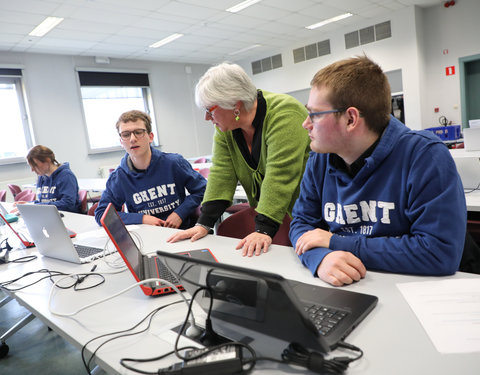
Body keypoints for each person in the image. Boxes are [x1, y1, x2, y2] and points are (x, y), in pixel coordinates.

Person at [289, 56, 466, 287]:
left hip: (417, 290)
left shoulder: (424, 155)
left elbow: (438, 252)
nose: (306, 124)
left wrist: (336, 243)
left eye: (315, 114)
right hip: (350, 285)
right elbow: (302, 224)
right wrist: (319, 259)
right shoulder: (319, 160)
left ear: (351, 119)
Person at [167, 62, 310, 256]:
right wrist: (204, 224)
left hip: (305, 215)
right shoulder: (226, 127)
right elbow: (221, 173)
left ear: (235, 104)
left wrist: (263, 229)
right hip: (272, 215)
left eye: (210, 109)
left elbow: (280, 175)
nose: (207, 118)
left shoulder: (285, 114)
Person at [94, 110, 206, 229]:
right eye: (126, 134)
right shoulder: (119, 177)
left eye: (138, 132)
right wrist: (142, 219)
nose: (132, 139)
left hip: (180, 233)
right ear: (121, 142)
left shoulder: (174, 163)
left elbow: (203, 189)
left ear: (150, 137)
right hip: (144, 236)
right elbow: (102, 214)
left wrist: (180, 213)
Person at [19, 145, 81, 213]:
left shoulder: (66, 176)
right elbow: (43, 202)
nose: (32, 170)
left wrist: (36, 205)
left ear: (47, 160)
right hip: (49, 214)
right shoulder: (41, 177)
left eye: (35, 165)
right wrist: (28, 204)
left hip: (67, 216)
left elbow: (68, 204)